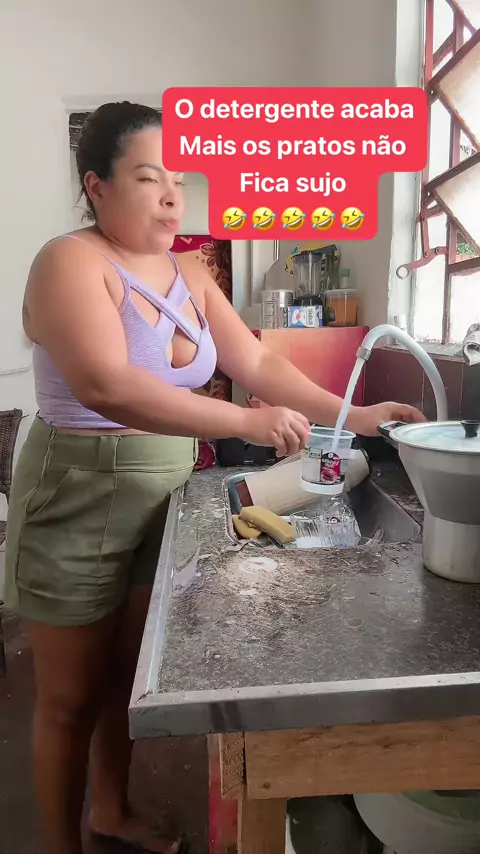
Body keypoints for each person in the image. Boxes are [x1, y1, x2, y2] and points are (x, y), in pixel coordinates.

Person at [4, 101, 425, 854]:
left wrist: (356, 415)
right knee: (69, 698)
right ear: (97, 186)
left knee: (123, 674)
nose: (173, 195)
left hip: (162, 489)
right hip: (78, 492)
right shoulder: (68, 262)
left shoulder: (188, 271)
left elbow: (255, 360)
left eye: (178, 179)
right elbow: (106, 385)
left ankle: (110, 811)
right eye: (148, 178)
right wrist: (243, 422)